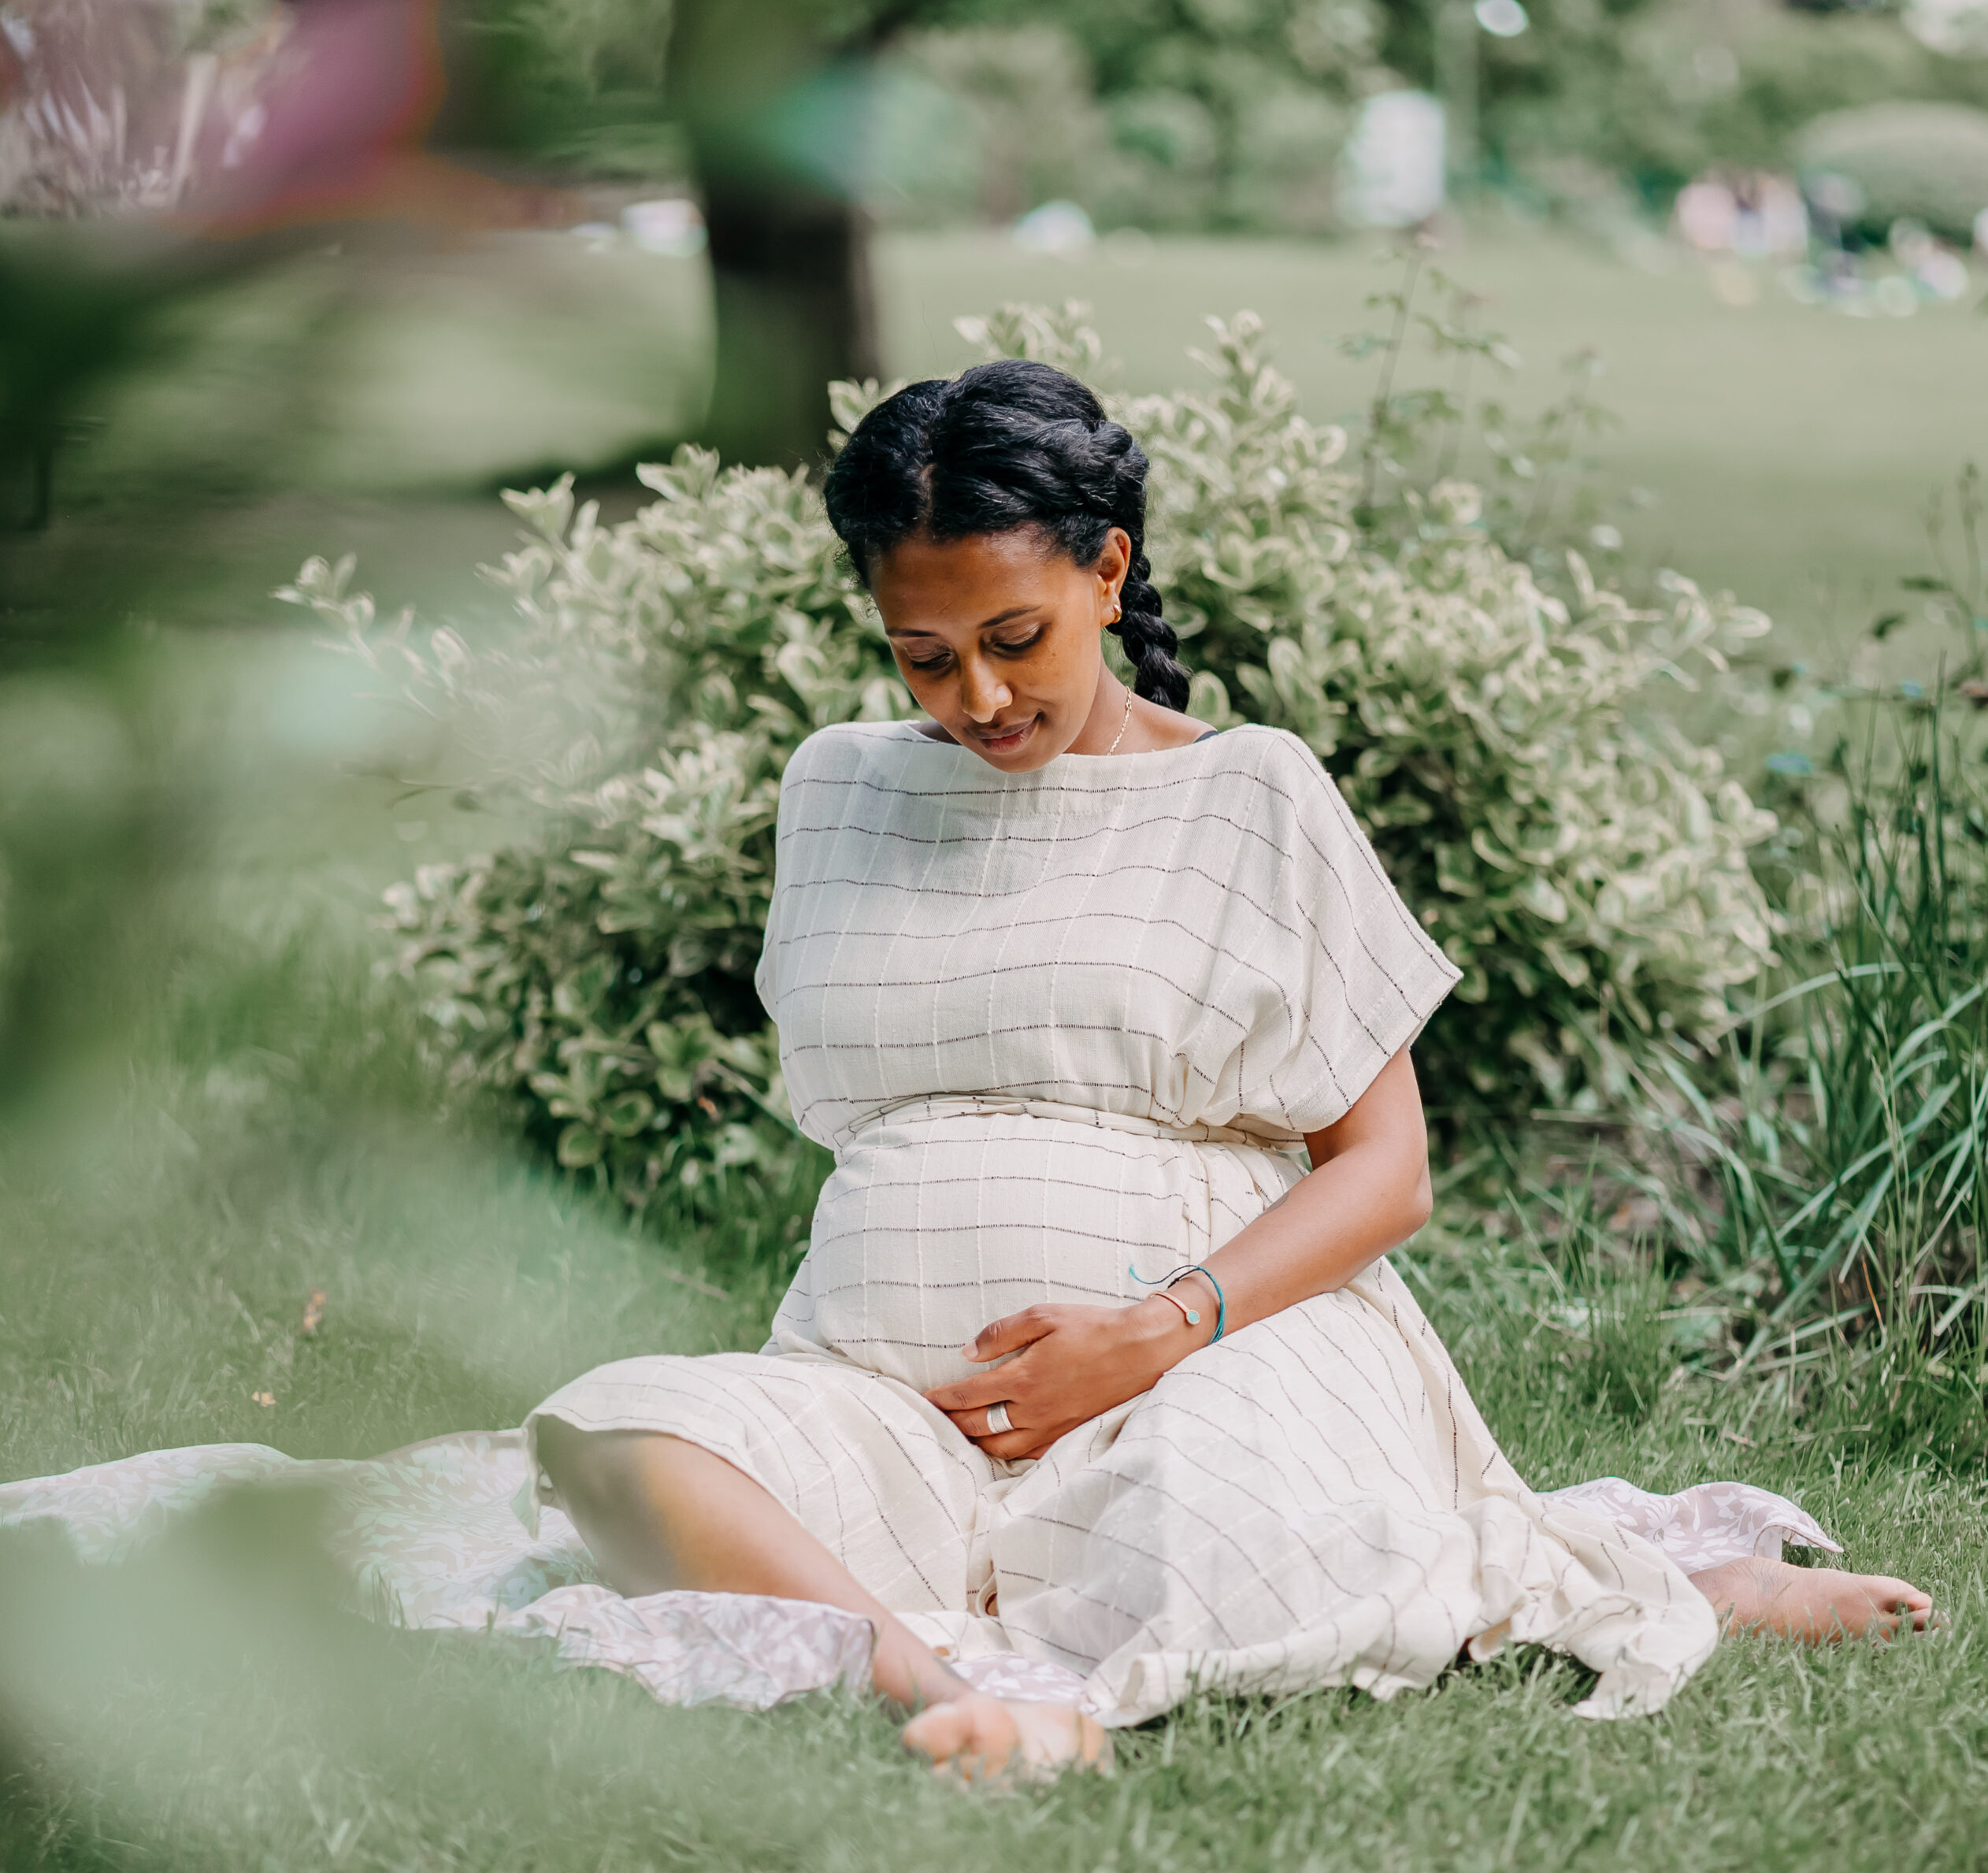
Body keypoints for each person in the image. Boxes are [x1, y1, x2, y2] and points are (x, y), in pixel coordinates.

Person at [525, 360, 1934, 1782]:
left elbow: (1387, 1173)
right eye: (926, 653)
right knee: (622, 1440)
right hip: (892, 1398)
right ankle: (948, 1683)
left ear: (1109, 570)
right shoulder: (837, 786)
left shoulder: (1249, 790)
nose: (981, 694)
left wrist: (1150, 1333)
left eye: (1016, 635)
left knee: (1240, 1549)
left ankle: (1662, 1585)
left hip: (1203, 1366)